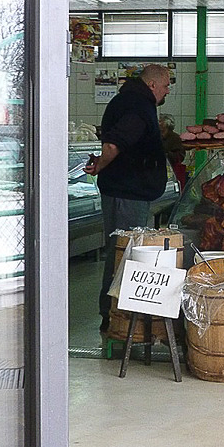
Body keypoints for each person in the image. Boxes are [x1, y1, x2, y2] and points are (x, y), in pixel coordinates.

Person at [85, 63, 171, 333]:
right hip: (127, 193)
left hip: (126, 190)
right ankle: (116, 317)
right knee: (125, 253)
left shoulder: (131, 100)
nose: (168, 90)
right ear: (152, 85)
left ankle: (118, 315)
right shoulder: (137, 104)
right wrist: (99, 165)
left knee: (123, 252)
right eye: (166, 85)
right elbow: (114, 143)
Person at [159, 112, 187, 189]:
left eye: (161, 122)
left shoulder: (175, 138)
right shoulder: (157, 137)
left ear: (168, 125)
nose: (159, 124)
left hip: (172, 172)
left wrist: (166, 154)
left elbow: (180, 156)